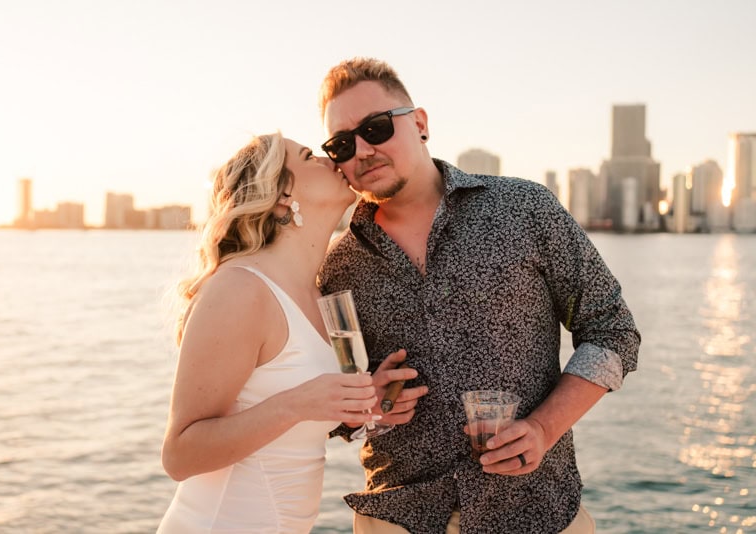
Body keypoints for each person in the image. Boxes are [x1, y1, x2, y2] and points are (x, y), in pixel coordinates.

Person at [317, 57, 641, 533]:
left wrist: (543, 428)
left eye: (377, 127)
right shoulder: (334, 268)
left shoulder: (524, 209)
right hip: (396, 519)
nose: (362, 150)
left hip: (537, 514)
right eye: (342, 145)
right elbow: (321, 401)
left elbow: (613, 332)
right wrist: (367, 405)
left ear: (420, 123)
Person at [157, 132, 419, 533]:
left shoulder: (321, 291)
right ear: (282, 193)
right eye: (309, 156)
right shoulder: (240, 288)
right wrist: (298, 403)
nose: (332, 159)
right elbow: (180, 455)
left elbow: (292, 421)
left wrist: (363, 405)